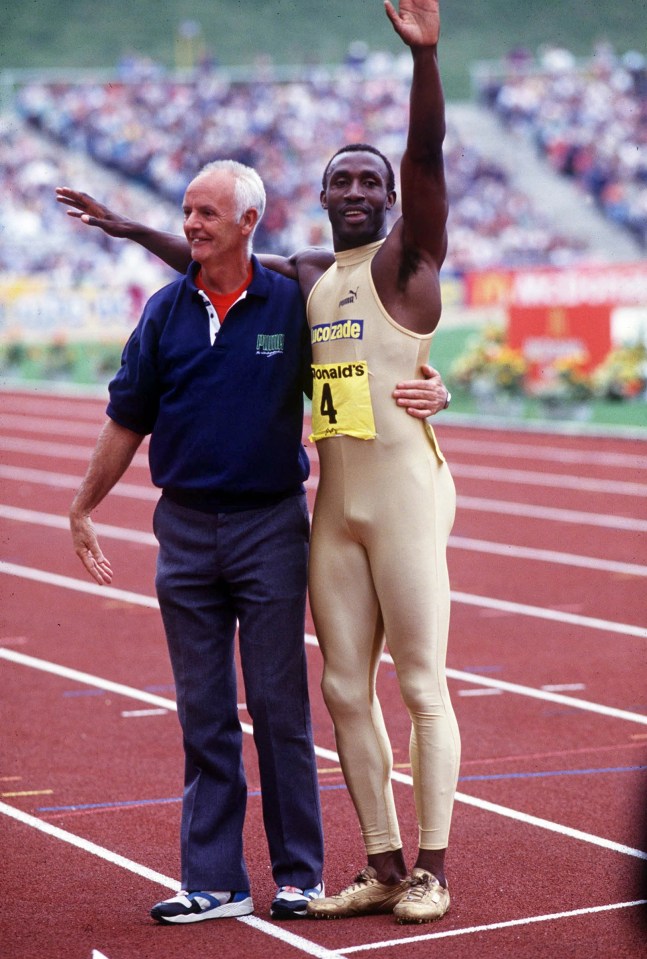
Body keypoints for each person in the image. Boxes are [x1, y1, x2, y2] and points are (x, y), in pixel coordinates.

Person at [59, 0, 458, 925]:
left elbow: (429, 161)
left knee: (418, 683)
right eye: (342, 181)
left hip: (390, 493)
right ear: (320, 199)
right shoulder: (307, 276)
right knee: (338, 688)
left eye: (371, 181)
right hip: (329, 508)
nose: (358, 191)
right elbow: (216, 255)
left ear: (391, 198)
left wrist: (425, 63)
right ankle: (383, 863)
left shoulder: (409, 262)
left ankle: (428, 866)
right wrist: (127, 229)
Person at [69, 160, 327, 925]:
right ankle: (214, 879)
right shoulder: (162, 312)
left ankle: (299, 874)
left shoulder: (291, 305)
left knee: (280, 706)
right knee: (203, 709)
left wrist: (429, 387)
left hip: (270, 526)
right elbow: (127, 417)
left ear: (250, 221)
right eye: (186, 211)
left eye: (208, 213)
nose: (191, 224)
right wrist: (84, 506)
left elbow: (355, 383)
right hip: (182, 531)